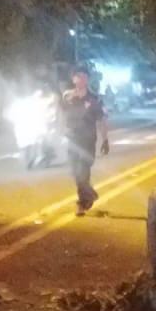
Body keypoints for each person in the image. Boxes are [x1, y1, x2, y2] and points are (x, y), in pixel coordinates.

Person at [62, 65, 110, 215]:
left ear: (88, 79)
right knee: (75, 172)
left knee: (83, 172)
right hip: (72, 140)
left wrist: (105, 139)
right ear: (73, 78)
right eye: (78, 76)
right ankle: (90, 194)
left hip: (87, 141)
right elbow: (61, 115)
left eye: (84, 76)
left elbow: (101, 120)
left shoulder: (94, 99)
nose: (81, 79)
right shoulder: (67, 97)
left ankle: (82, 203)